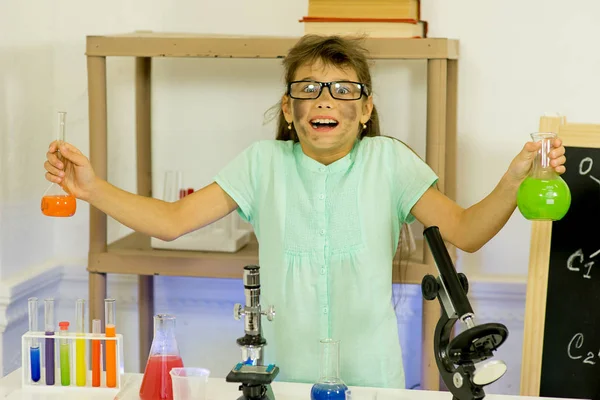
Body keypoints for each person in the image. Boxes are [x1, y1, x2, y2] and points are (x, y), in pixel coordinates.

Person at [44, 34, 566, 389]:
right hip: (280, 377)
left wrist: (513, 179)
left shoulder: (389, 161)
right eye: (307, 89)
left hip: (371, 380)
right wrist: (91, 188)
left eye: (343, 90)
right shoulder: (261, 163)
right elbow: (171, 222)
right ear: (290, 111)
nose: (324, 100)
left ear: (364, 110)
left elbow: (467, 231)